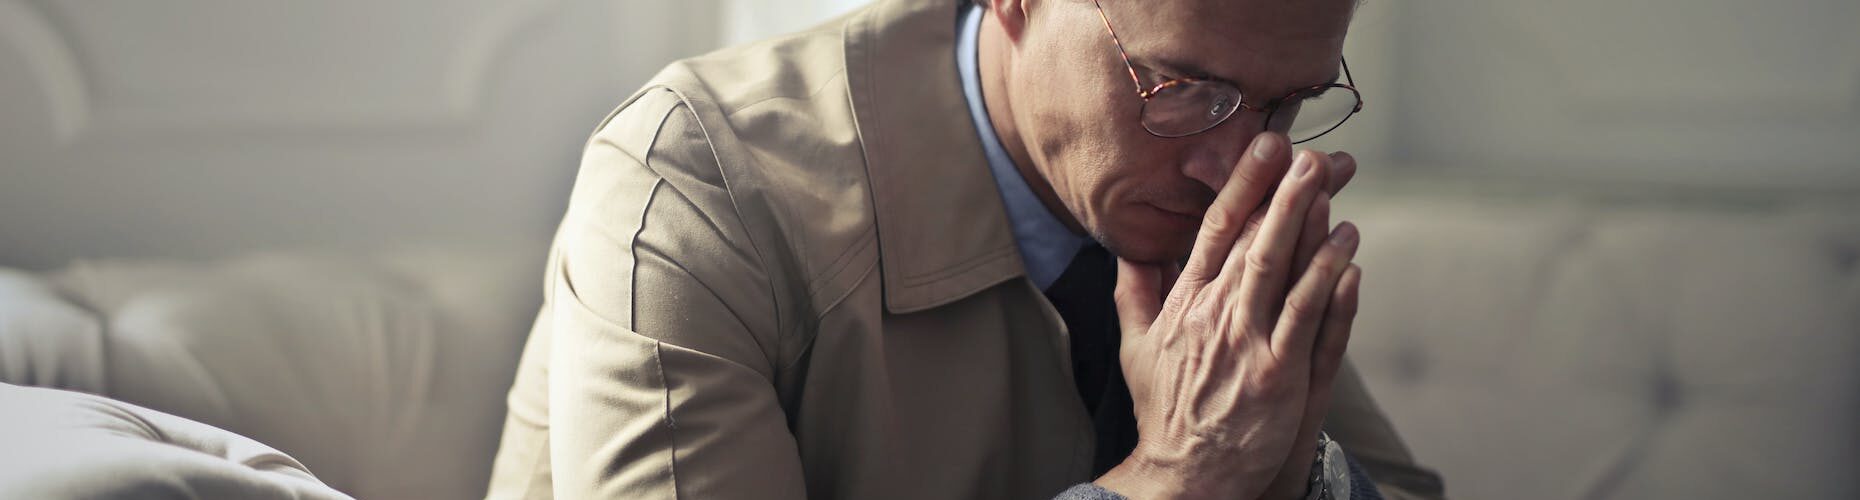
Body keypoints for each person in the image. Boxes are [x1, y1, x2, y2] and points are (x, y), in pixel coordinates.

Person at [487, 0, 1446, 498]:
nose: (1234, 164)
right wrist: (1177, 481)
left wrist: (1287, 478)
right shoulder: (694, 186)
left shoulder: (1208, 180)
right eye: (1180, 84)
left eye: (1289, 103)